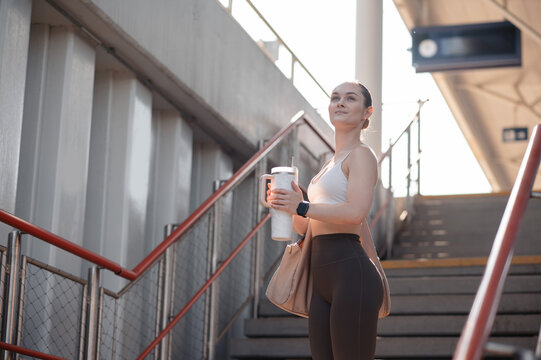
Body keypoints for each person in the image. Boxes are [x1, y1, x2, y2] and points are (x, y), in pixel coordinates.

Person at [267, 81, 390, 359]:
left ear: (366, 113)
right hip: (322, 277)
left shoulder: (362, 155)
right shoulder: (327, 166)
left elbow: (355, 213)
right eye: (335, 98)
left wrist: (302, 206)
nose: (340, 102)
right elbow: (309, 227)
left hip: (351, 273)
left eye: (350, 98)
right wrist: (288, 207)